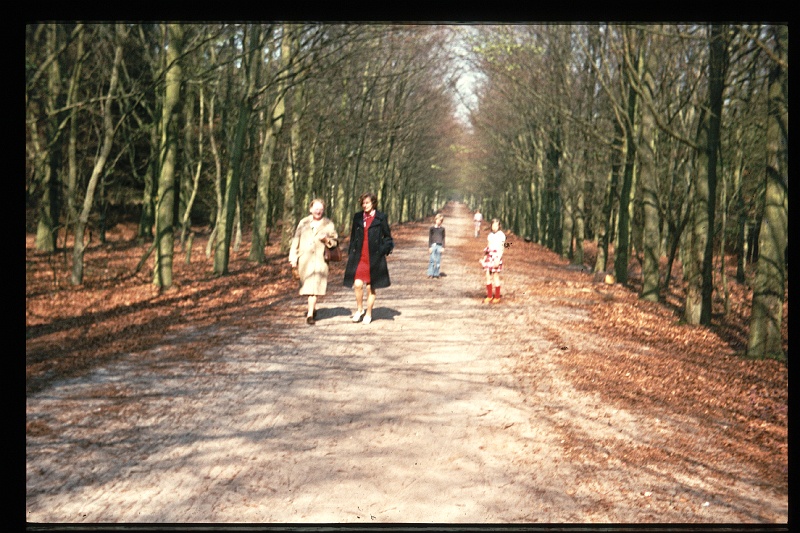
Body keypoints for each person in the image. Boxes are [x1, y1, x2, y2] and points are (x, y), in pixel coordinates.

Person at [343, 192, 394, 325]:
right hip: (360, 256)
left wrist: (383, 250)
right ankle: (359, 310)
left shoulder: (381, 217)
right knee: (358, 284)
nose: (365, 205)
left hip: (374, 257)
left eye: (367, 203)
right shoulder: (357, 217)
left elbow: (388, 238)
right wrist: (351, 251)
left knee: (370, 287)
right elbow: (353, 237)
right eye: (363, 203)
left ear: (373, 203)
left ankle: (369, 313)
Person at [289, 198, 339, 325]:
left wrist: (327, 239)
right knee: (307, 287)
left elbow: (334, 242)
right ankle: (313, 308)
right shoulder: (303, 222)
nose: (318, 211)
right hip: (304, 260)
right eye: (316, 209)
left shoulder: (328, 223)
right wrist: (293, 258)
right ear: (311, 209)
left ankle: (310, 314)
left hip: (320, 260)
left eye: (321, 209)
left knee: (314, 288)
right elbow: (296, 240)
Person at [479, 218, 505, 303]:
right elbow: (488, 247)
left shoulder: (501, 235)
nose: (495, 227)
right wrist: (484, 257)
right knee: (487, 275)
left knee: (495, 276)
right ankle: (489, 295)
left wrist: (498, 258)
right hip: (489, 256)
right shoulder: (490, 235)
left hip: (496, 256)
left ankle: (497, 296)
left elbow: (501, 248)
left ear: (499, 226)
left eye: (496, 225)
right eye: (493, 225)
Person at [427, 213, 445, 279]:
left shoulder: (442, 229)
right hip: (433, 245)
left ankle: (436, 273)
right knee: (432, 260)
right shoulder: (432, 228)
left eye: (440, 221)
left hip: (439, 245)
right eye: (437, 220)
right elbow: (430, 238)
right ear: (435, 220)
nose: (438, 222)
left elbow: (443, 238)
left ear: (441, 222)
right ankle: (430, 273)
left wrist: (443, 247)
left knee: (438, 260)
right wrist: (429, 247)